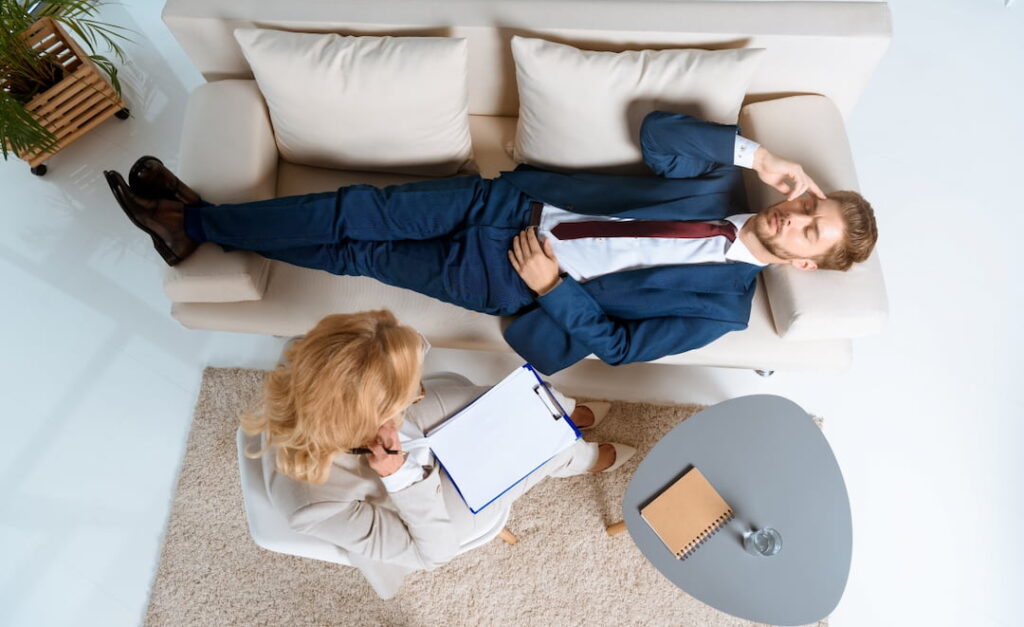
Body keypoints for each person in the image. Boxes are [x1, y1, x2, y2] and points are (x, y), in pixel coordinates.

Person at [106, 111, 878, 374]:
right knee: (356, 208)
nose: (793, 216)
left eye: (810, 230)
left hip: (506, 275)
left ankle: (192, 223)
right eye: (808, 203)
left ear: (808, 262)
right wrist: (759, 157)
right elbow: (660, 133)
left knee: (357, 251)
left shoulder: (722, 308)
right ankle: (195, 222)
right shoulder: (717, 186)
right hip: (509, 201)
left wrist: (551, 288)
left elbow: (618, 346)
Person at [240, 309, 634, 596]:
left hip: (396, 432)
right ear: (371, 415)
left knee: (532, 398)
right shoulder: (315, 505)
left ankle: (563, 416)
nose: (418, 388)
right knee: (540, 448)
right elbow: (433, 553)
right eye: (408, 391)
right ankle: (576, 456)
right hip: (407, 501)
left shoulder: (311, 355)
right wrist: (402, 477)